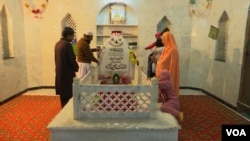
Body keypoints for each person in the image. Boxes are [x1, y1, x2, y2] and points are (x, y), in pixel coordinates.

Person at [54, 27, 79, 108]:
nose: (73, 38)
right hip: (67, 73)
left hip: (60, 73)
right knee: (69, 95)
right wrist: (76, 67)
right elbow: (71, 59)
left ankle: (63, 109)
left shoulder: (58, 43)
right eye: (72, 36)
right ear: (68, 35)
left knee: (63, 95)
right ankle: (68, 112)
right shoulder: (67, 45)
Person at [156, 31, 180, 96]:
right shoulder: (165, 49)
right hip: (162, 75)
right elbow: (161, 60)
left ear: (168, 39)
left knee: (167, 92)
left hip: (168, 74)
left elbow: (173, 65)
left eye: (164, 39)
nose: (162, 41)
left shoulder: (173, 50)